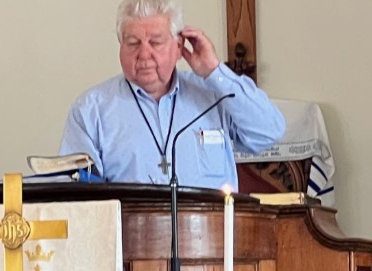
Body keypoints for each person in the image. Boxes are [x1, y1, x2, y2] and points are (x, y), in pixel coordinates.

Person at [60, 0, 285, 190]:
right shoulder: (91, 110)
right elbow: (75, 192)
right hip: (132, 228)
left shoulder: (213, 96)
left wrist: (215, 72)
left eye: (155, 42)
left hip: (211, 227)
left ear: (179, 47)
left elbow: (269, 132)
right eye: (133, 43)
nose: (144, 54)